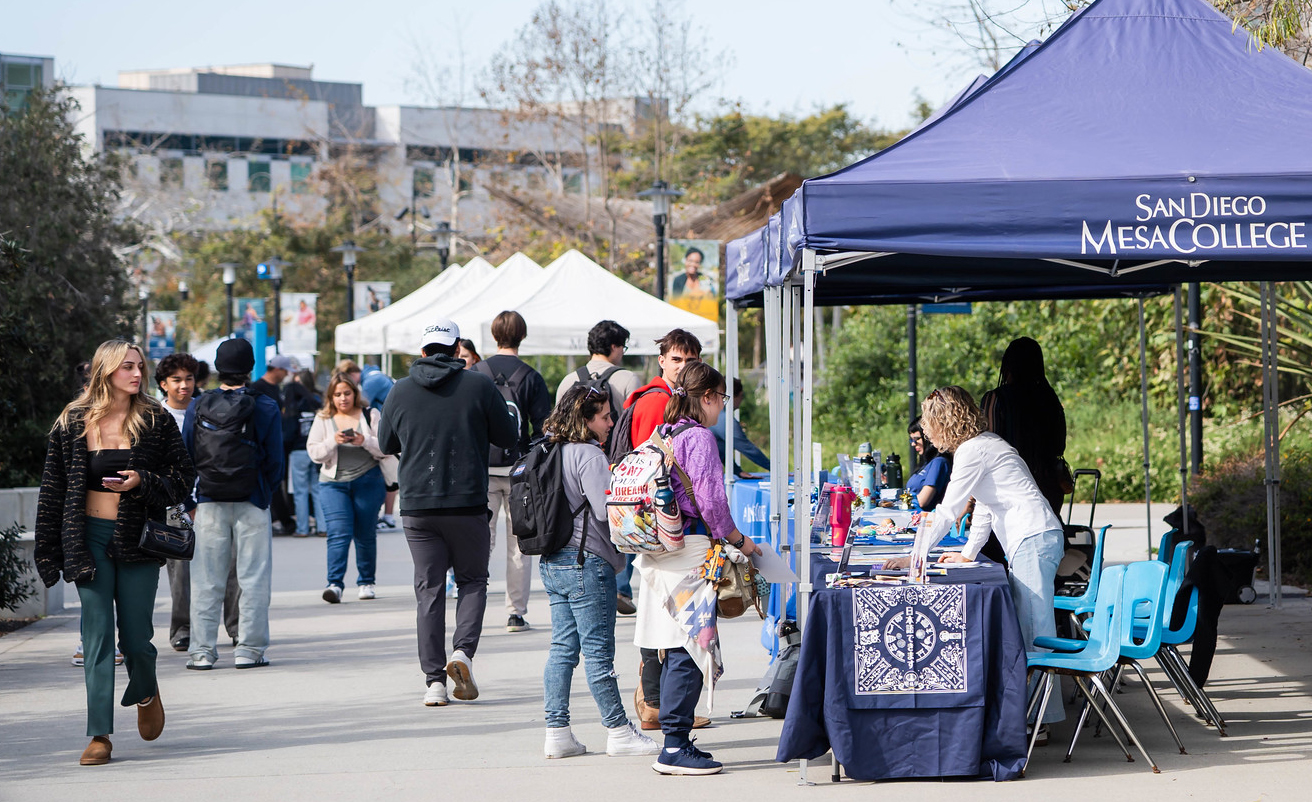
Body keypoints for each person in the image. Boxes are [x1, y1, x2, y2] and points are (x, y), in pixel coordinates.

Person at [35, 340, 196, 766]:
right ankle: (99, 735)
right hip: (86, 538)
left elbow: (183, 478)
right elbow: (53, 490)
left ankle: (145, 689)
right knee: (97, 637)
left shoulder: (156, 419)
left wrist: (142, 480)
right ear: (106, 371)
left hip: (136, 539)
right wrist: (49, 550)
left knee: (137, 640)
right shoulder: (72, 421)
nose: (137, 374)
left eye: (139, 366)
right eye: (128, 367)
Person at [894, 386, 1067, 738]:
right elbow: (985, 505)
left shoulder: (974, 450)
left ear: (944, 421)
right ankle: (1035, 715)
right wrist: (969, 553)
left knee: (1035, 631)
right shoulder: (985, 444)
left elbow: (948, 510)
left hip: (1032, 538)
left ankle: (1041, 721)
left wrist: (915, 555)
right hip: (1033, 537)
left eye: (929, 422)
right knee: (1029, 627)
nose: (926, 431)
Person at [377, 316, 518, 707]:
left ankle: (434, 683)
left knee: (429, 590)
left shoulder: (399, 390)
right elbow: (507, 437)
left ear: (422, 351)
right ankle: (462, 653)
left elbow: (387, 442)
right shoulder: (478, 385)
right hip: (468, 501)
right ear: (458, 350)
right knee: (472, 581)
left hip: (418, 505)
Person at [634, 362, 760, 776]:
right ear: (706, 397)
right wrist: (740, 541)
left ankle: (677, 739)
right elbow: (712, 505)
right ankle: (673, 747)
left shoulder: (664, 433)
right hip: (689, 551)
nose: (723, 408)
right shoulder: (700, 437)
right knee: (691, 646)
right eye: (721, 399)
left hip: (660, 549)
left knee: (673, 646)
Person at [537, 385, 659, 760]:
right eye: (605, 416)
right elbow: (608, 512)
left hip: (552, 561)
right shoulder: (589, 454)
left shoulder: (548, 449)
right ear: (585, 418)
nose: (611, 423)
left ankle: (557, 732)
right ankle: (619, 730)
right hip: (586, 562)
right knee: (598, 654)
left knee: (562, 650)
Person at [182, 337, 283, 671]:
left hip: (209, 500)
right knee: (253, 579)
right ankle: (249, 649)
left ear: (216, 367)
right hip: (251, 499)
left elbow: (185, 454)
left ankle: (201, 652)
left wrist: (191, 500)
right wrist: (264, 495)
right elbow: (275, 461)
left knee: (206, 579)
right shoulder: (265, 405)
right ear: (250, 367)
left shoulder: (199, 404)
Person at [623, 328, 704, 715]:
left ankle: (655, 701)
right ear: (662, 361)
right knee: (662, 616)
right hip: (658, 524)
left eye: (690, 360)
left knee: (660, 612)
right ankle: (654, 702)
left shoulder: (666, 399)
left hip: (653, 523)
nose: (683, 366)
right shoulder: (659, 403)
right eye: (677, 359)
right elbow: (651, 467)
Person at [155, 353, 240, 653]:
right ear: (163, 384)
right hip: (174, 504)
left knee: (230, 563)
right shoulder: (154, 417)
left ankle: (236, 626)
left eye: (189, 379)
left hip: (212, 498)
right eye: (176, 380)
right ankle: (183, 628)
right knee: (181, 569)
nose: (184, 385)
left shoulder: (207, 409)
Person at [475, 310, 553, 634]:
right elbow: (544, 427)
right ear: (522, 336)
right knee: (519, 543)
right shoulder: (531, 376)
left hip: (483, 469)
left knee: (482, 541)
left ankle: (473, 604)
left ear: (494, 335)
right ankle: (515, 612)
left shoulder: (477, 373)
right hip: (519, 471)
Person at [307, 373, 388, 603]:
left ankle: (366, 582)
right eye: (338, 394)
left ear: (355, 393)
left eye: (347, 393)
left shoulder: (369, 414)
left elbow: (385, 447)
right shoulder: (323, 418)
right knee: (338, 534)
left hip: (367, 480)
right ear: (331, 397)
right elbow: (314, 453)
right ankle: (334, 584)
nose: (343, 398)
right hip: (333, 484)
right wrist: (334, 440)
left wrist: (365, 441)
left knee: (365, 533)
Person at [980, 337, 1068, 515]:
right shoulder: (1050, 399)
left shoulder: (996, 399)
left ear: (1007, 366)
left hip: (1010, 487)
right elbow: (1060, 445)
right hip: (1049, 485)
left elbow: (988, 447)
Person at [251, 355, 296, 536]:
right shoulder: (257, 389)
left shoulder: (275, 388)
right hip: (262, 444)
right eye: (285, 371)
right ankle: (284, 520)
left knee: (277, 480)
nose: (286, 375)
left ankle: (281, 518)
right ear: (277, 369)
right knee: (272, 482)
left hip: (277, 440)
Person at [554, 319, 640, 414]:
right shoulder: (629, 379)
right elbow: (636, 421)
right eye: (623, 348)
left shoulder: (568, 381)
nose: (623, 352)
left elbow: (557, 424)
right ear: (614, 347)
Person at [284, 369, 323, 538]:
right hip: (316, 449)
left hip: (298, 450)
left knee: (300, 492)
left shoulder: (293, 404)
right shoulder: (317, 401)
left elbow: (289, 432)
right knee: (317, 489)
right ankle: (322, 527)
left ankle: (302, 528)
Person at [360, 364, 399, 529]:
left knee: (387, 477)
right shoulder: (385, 379)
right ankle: (388, 515)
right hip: (391, 436)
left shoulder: (372, 381)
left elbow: (364, 400)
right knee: (391, 479)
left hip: (383, 438)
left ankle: (379, 516)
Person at [708, 378, 771, 479]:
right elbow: (747, 448)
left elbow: (718, 448)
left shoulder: (713, 414)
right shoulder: (724, 419)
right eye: (742, 396)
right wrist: (774, 468)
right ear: (737, 395)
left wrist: (737, 470)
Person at [905, 416, 950, 511]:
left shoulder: (939, 462)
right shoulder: (927, 462)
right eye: (911, 440)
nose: (913, 444)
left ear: (928, 437)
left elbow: (923, 501)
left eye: (916, 439)